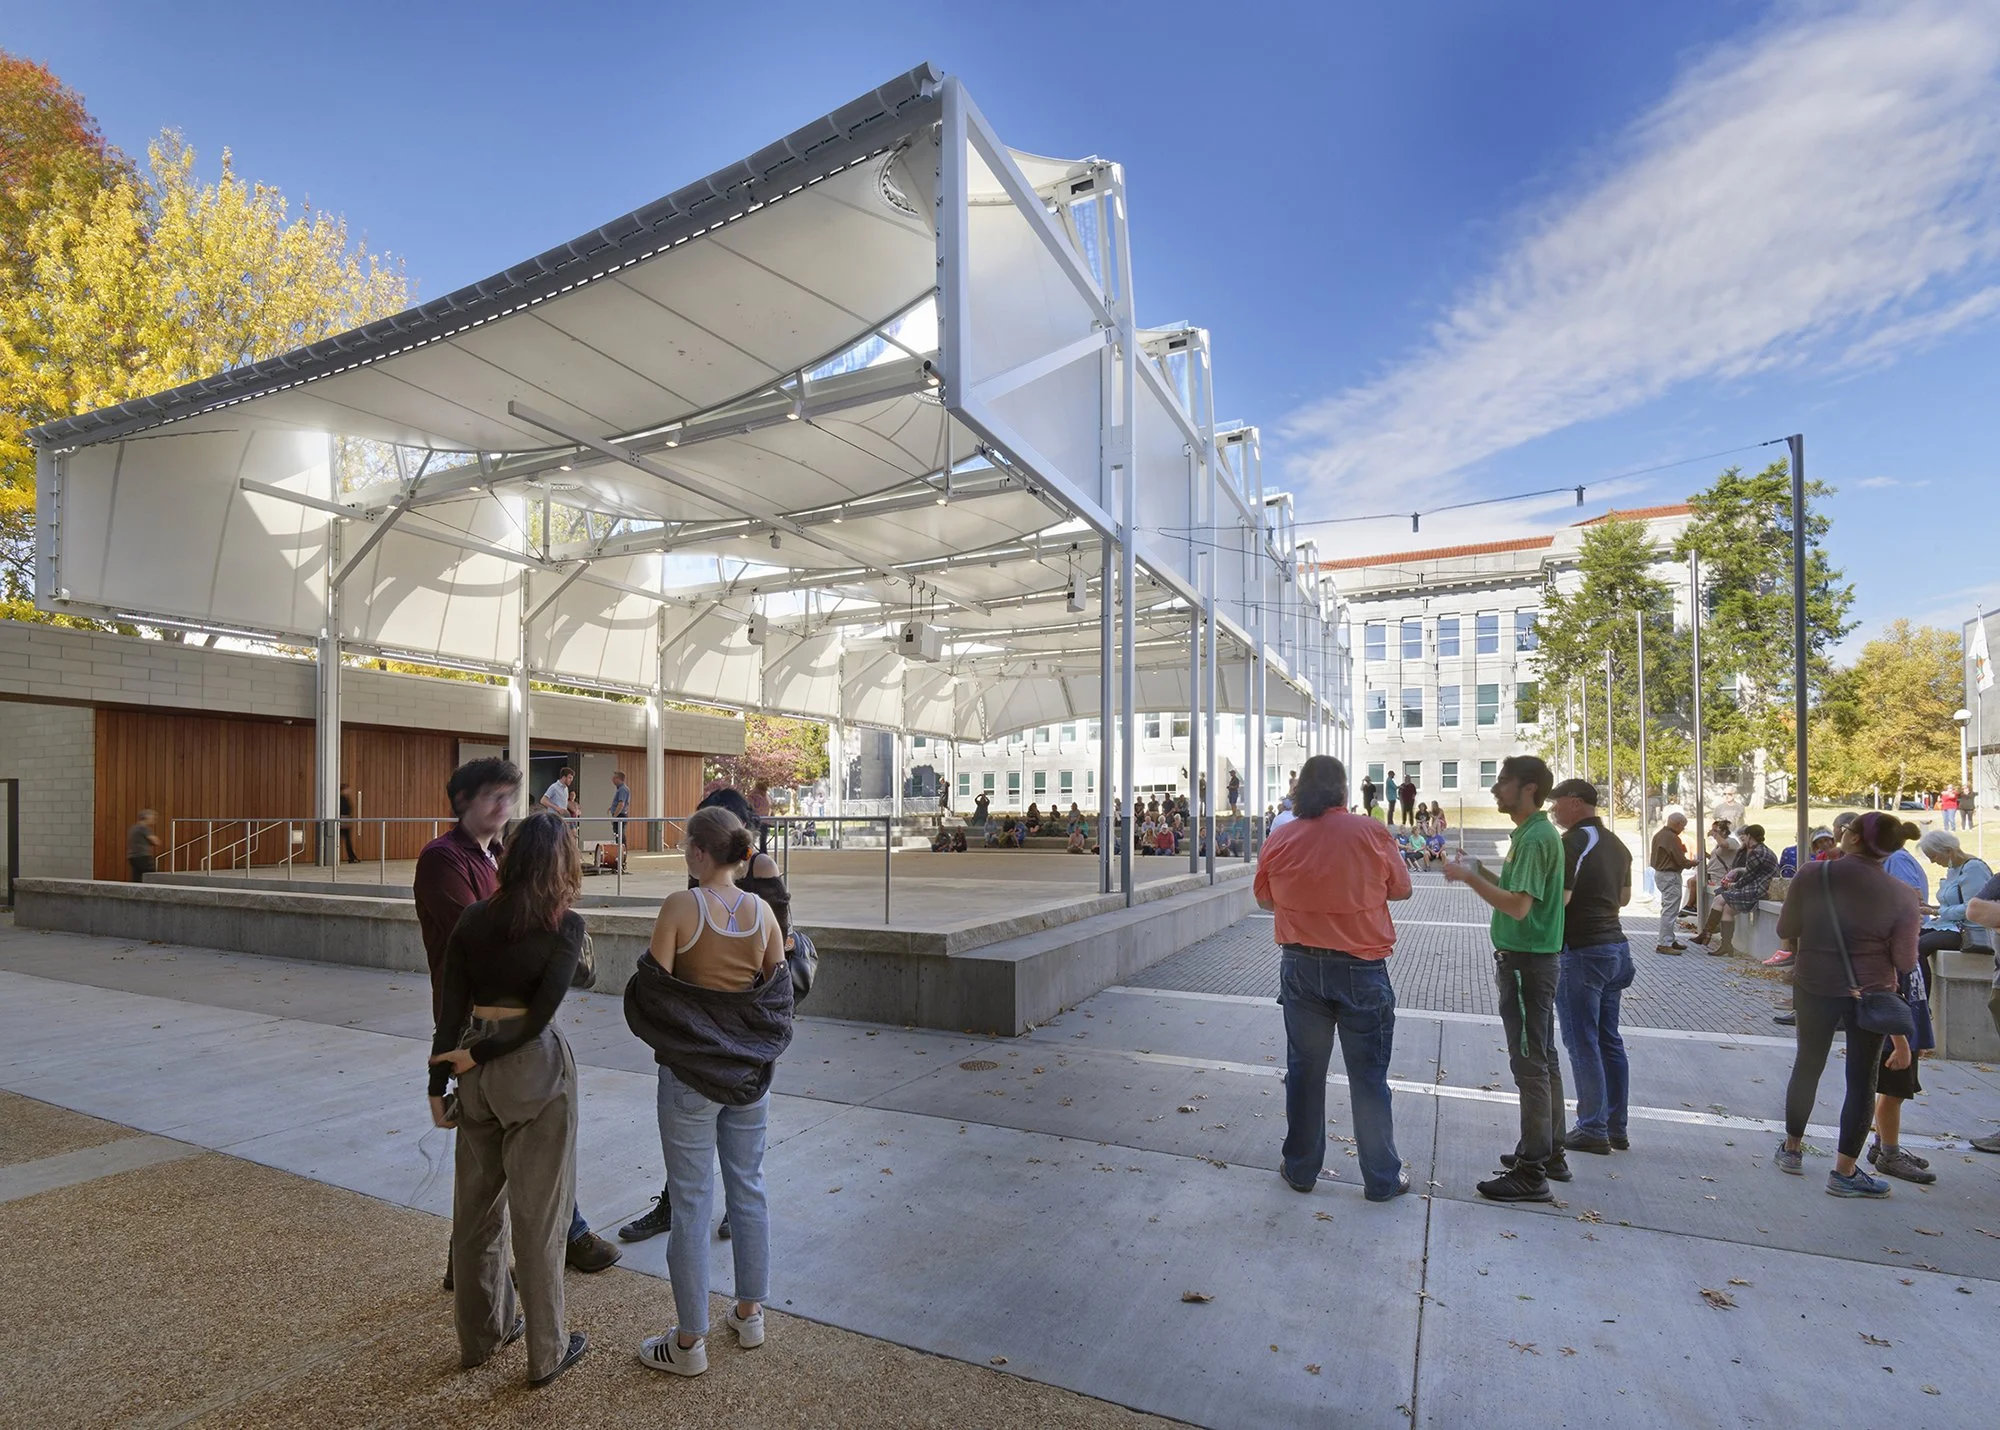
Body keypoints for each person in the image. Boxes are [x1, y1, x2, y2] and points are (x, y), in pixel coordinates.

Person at [416, 759, 620, 1279]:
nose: (504, 806)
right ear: (462, 801)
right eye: (493, 795)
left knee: (515, 1151)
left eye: (509, 796)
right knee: (487, 1163)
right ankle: (485, 1266)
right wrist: (554, 935)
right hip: (472, 1019)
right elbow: (488, 935)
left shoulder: (501, 855)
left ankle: (527, 1248)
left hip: (520, 1021)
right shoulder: (443, 859)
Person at [426, 812, 593, 1388]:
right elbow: (539, 1016)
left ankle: (480, 1338)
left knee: (475, 1215)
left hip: (474, 1072)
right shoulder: (565, 925)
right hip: (535, 1071)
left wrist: (438, 1082)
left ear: (511, 856)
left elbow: (450, 1007)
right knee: (539, 1218)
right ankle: (547, 1353)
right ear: (561, 864)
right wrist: (480, 1055)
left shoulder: (473, 918)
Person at [626, 806, 793, 1376]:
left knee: (692, 1201)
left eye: (685, 847)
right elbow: (776, 994)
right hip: (748, 1077)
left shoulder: (681, 906)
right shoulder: (762, 912)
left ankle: (689, 1342)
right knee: (749, 1187)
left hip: (690, 1077)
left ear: (700, 852)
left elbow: (654, 988)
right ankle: (750, 1314)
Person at [1254, 755, 1412, 1202]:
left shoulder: (1281, 836)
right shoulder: (1370, 832)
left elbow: (1265, 899)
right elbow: (1401, 889)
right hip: (1362, 968)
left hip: (1300, 968)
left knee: (1304, 1073)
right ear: (1343, 790)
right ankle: (1381, 1178)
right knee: (1368, 1077)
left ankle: (1301, 1169)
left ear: (1301, 790)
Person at [1770, 813, 1920, 1197]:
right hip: (1870, 993)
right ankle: (1844, 1171)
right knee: (1861, 1080)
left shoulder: (1812, 874)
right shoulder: (1902, 894)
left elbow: (1786, 928)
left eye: (1847, 830)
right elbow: (1905, 961)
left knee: (1807, 1065)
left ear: (1853, 839)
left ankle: (1792, 1149)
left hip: (1814, 984)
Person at [1443, 755, 1569, 1202]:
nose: (1496, 789)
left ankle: (1532, 1171)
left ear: (1529, 788)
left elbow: (1517, 907)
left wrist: (1467, 878)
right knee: (1543, 1057)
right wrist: (1480, 871)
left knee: (1530, 1063)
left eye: (1503, 782)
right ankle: (1550, 1152)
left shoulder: (1534, 838)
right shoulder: (1532, 835)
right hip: (1533, 961)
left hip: (1526, 964)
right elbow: (1519, 893)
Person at [1547, 780, 1634, 1154]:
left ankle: (1592, 1127)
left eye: (1556, 804)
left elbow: (1560, 899)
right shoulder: (1617, 844)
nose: (1553, 812)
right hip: (1616, 949)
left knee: (1582, 1042)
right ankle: (1615, 1126)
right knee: (1608, 1039)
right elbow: (1625, 897)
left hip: (1583, 950)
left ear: (1575, 803)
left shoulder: (1573, 843)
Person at [1866, 959, 1937, 1184]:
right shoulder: (1893, 950)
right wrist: (1900, 1042)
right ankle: (1889, 1154)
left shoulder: (1909, 949)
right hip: (1896, 1039)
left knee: (1892, 1093)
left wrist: (1920, 1037)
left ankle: (1881, 1144)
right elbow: (1887, 996)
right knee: (1893, 1095)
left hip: (1906, 1034)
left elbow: (1917, 997)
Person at [1914, 829, 1992, 994]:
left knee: (1919, 946)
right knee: (1908, 939)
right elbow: (1952, 903)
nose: (1932, 862)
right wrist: (1933, 909)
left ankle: (1921, 1000)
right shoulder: (1953, 869)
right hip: (1951, 924)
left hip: (1969, 929)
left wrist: (1938, 912)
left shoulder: (1973, 868)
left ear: (1948, 851)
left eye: (1933, 856)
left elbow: (1972, 908)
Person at [1701, 824, 1779, 958]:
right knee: (1727, 910)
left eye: (1744, 836)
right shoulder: (1765, 850)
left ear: (1749, 836)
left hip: (1758, 889)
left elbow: (1749, 877)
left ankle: (1708, 934)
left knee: (1719, 899)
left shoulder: (1756, 852)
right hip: (1761, 887)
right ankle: (1725, 944)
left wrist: (1733, 886)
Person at [1648, 813, 1695, 954]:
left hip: (1661, 874)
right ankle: (1664, 943)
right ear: (1678, 824)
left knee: (1667, 907)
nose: (1683, 829)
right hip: (1670, 875)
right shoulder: (1671, 837)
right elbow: (1680, 859)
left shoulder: (1659, 835)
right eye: (1683, 826)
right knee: (1670, 910)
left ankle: (1669, 939)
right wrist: (1692, 863)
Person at [126, 809, 160, 882]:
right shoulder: (144, 828)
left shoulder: (133, 828)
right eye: (152, 818)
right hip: (143, 856)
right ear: (147, 817)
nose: (153, 820)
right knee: (151, 876)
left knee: (137, 877)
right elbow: (155, 842)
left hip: (133, 856)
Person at [339, 783, 360, 863]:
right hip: (342, 822)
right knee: (344, 840)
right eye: (346, 789)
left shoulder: (346, 799)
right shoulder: (340, 799)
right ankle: (352, 857)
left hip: (345, 821)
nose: (348, 791)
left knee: (347, 841)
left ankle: (352, 857)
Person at [609, 771, 631, 847]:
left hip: (620, 815)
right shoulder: (620, 789)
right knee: (617, 834)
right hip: (619, 814)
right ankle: (620, 849)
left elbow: (621, 804)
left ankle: (622, 850)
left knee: (620, 834)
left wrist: (615, 816)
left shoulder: (622, 789)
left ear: (619, 779)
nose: (612, 780)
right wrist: (612, 808)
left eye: (614, 778)